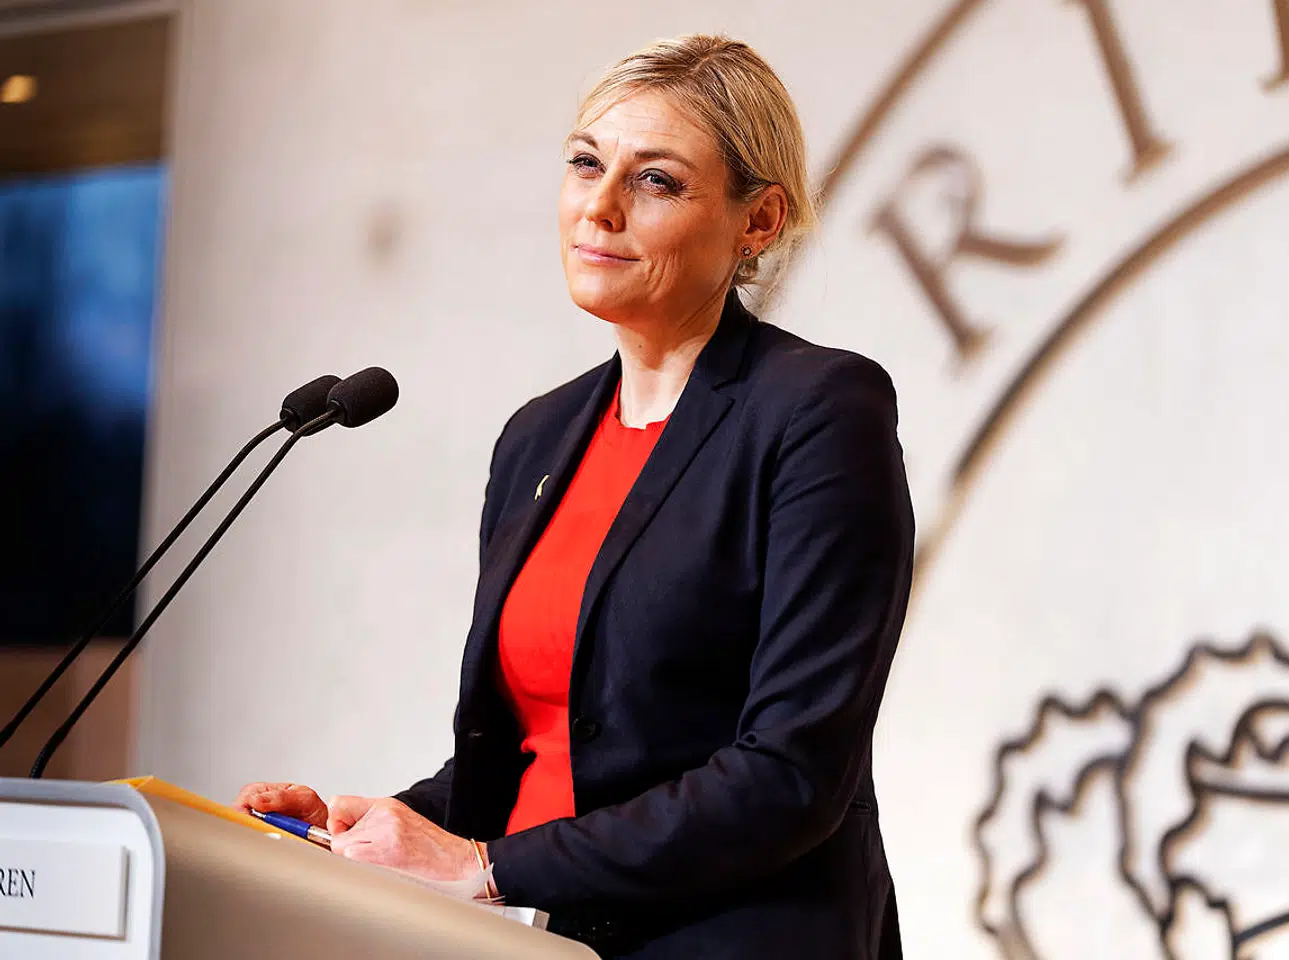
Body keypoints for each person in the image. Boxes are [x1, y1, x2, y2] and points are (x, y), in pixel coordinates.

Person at [234, 34, 914, 959]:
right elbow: (537, 761)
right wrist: (376, 831)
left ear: (758, 221)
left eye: (656, 180)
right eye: (586, 163)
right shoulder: (538, 437)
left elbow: (791, 775)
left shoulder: (817, 410)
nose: (600, 206)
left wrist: (483, 867)